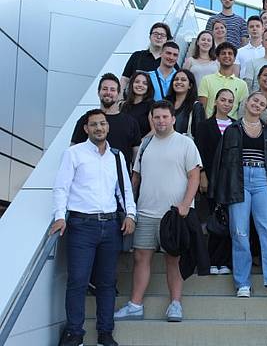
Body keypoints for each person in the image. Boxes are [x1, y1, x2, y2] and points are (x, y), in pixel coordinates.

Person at [52, 109, 136, 346]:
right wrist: (60, 216)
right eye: (93, 125)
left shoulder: (117, 156)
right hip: (81, 226)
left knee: (107, 283)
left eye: (102, 124)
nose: (99, 128)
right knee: (78, 281)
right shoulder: (73, 154)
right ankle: (74, 334)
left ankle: (105, 333)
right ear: (86, 129)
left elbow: (125, 189)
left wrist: (130, 214)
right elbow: (61, 188)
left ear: (107, 127)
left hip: (111, 226)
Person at [114, 100, 201, 322]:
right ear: (151, 119)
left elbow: (194, 176)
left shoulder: (185, 143)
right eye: (156, 117)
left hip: (174, 215)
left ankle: (175, 304)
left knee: (173, 259)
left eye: (165, 117)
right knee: (141, 258)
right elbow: (136, 177)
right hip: (145, 212)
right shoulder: (145, 144)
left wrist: (185, 204)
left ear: (173, 119)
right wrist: (129, 207)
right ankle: (135, 305)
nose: (161, 121)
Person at [209, 91, 267, 299]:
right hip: (239, 181)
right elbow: (221, 163)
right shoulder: (232, 130)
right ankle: (242, 283)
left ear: (265, 109)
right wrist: (220, 192)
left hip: (264, 180)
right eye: (255, 100)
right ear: (246, 102)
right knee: (239, 232)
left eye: (262, 103)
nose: (257, 104)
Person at [197, 89, 235, 275]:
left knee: (230, 221)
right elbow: (200, 152)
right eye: (223, 100)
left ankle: (226, 261)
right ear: (216, 102)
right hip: (211, 179)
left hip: (231, 182)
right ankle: (212, 261)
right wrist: (202, 174)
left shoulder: (236, 125)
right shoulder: (204, 126)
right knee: (214, 219)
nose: (226, 104)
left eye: (230, 101)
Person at [71, 73, 141, 171]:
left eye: (112, 90)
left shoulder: (131, 122)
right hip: (90, 181)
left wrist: (134, 181)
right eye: (104, 89)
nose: (108, 92)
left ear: (118, 94)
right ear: (98, 92)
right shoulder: (86, 120)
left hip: (120, 182)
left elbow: (136, 159)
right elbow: (73, 153)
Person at [120, 22, 175, 96]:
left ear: (166, 40)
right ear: (150, 37)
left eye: (162, 35)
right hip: (134, 102)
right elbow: (125, 79)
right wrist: (120, 99)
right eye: (155, 34)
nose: (159, 37)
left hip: (157, 105)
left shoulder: (170, 61)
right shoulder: (137, 56)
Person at [199, 42, 249, 119]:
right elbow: (202, 109)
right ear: (218, 58)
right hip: (210, 125)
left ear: (234, 58)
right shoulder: (206, 80)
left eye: (230, 53)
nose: (227, 56)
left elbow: (243, 111)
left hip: (232, 128)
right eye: (223, 53)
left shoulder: (242, 84)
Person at [165, 69, 206, 135]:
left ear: (190, 85)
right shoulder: (165, 103)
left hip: (186, 144)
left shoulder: (196, 106)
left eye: (183, 80)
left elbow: (200, 132)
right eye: (176, 79)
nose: (179, 82)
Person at [120, 71, 154, 138]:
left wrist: (139, 144)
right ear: (132, 84)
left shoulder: (151, 105)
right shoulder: (124, 105)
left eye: (145, 83)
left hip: (141, 146)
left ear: (148, 87)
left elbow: (154, 130)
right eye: (137, 82)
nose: (140, 85)